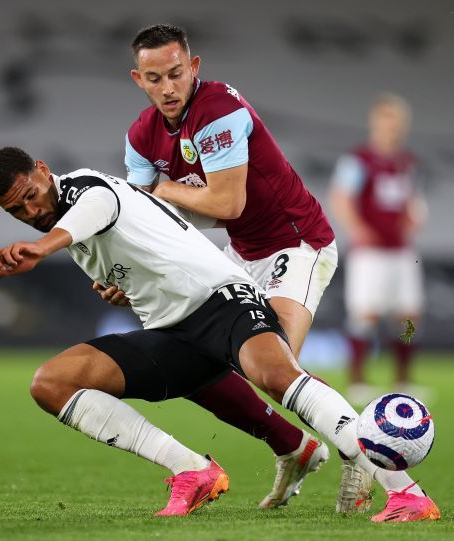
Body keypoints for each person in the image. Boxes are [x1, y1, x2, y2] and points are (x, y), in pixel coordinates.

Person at [0, 146, 440, 522]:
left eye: (32, 195)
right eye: (15, 210)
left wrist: (38, 248)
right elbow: (130, 249)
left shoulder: (85, 188)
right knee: (51, 383)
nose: (31, 210)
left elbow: (95, 209)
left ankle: (406, 493)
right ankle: (194, 471)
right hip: (171, 330)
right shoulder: (69, 227)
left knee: (276, 375)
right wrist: (121, 288)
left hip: (220, 300)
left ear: (43, 170)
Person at [103, 23, 366, 511]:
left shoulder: (219, 110)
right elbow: (143, 220)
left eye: (176, 74)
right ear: (138, 79)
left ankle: (365, 457)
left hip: (297, 242)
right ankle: (293, 446)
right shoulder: (142, 135)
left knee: (276, 366)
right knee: (211, 355)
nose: (167, 88)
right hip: (240, 252)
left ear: (194, 67)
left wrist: (158, 191)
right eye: (154, 78)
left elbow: (226, 201)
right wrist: (126, 272)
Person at [329, 93, 428, 407]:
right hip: (369, 253)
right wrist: (357, 228)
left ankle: (404, 379)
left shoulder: (407, 162)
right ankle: (357, 380)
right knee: (365, 313)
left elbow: (413, 200)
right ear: (375, 123)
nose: (391, 127)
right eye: (386, 120)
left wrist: (415, 217)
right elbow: (340, 196)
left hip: (401, 251)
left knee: (409, 315)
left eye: (396, 121)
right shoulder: (359, 160)